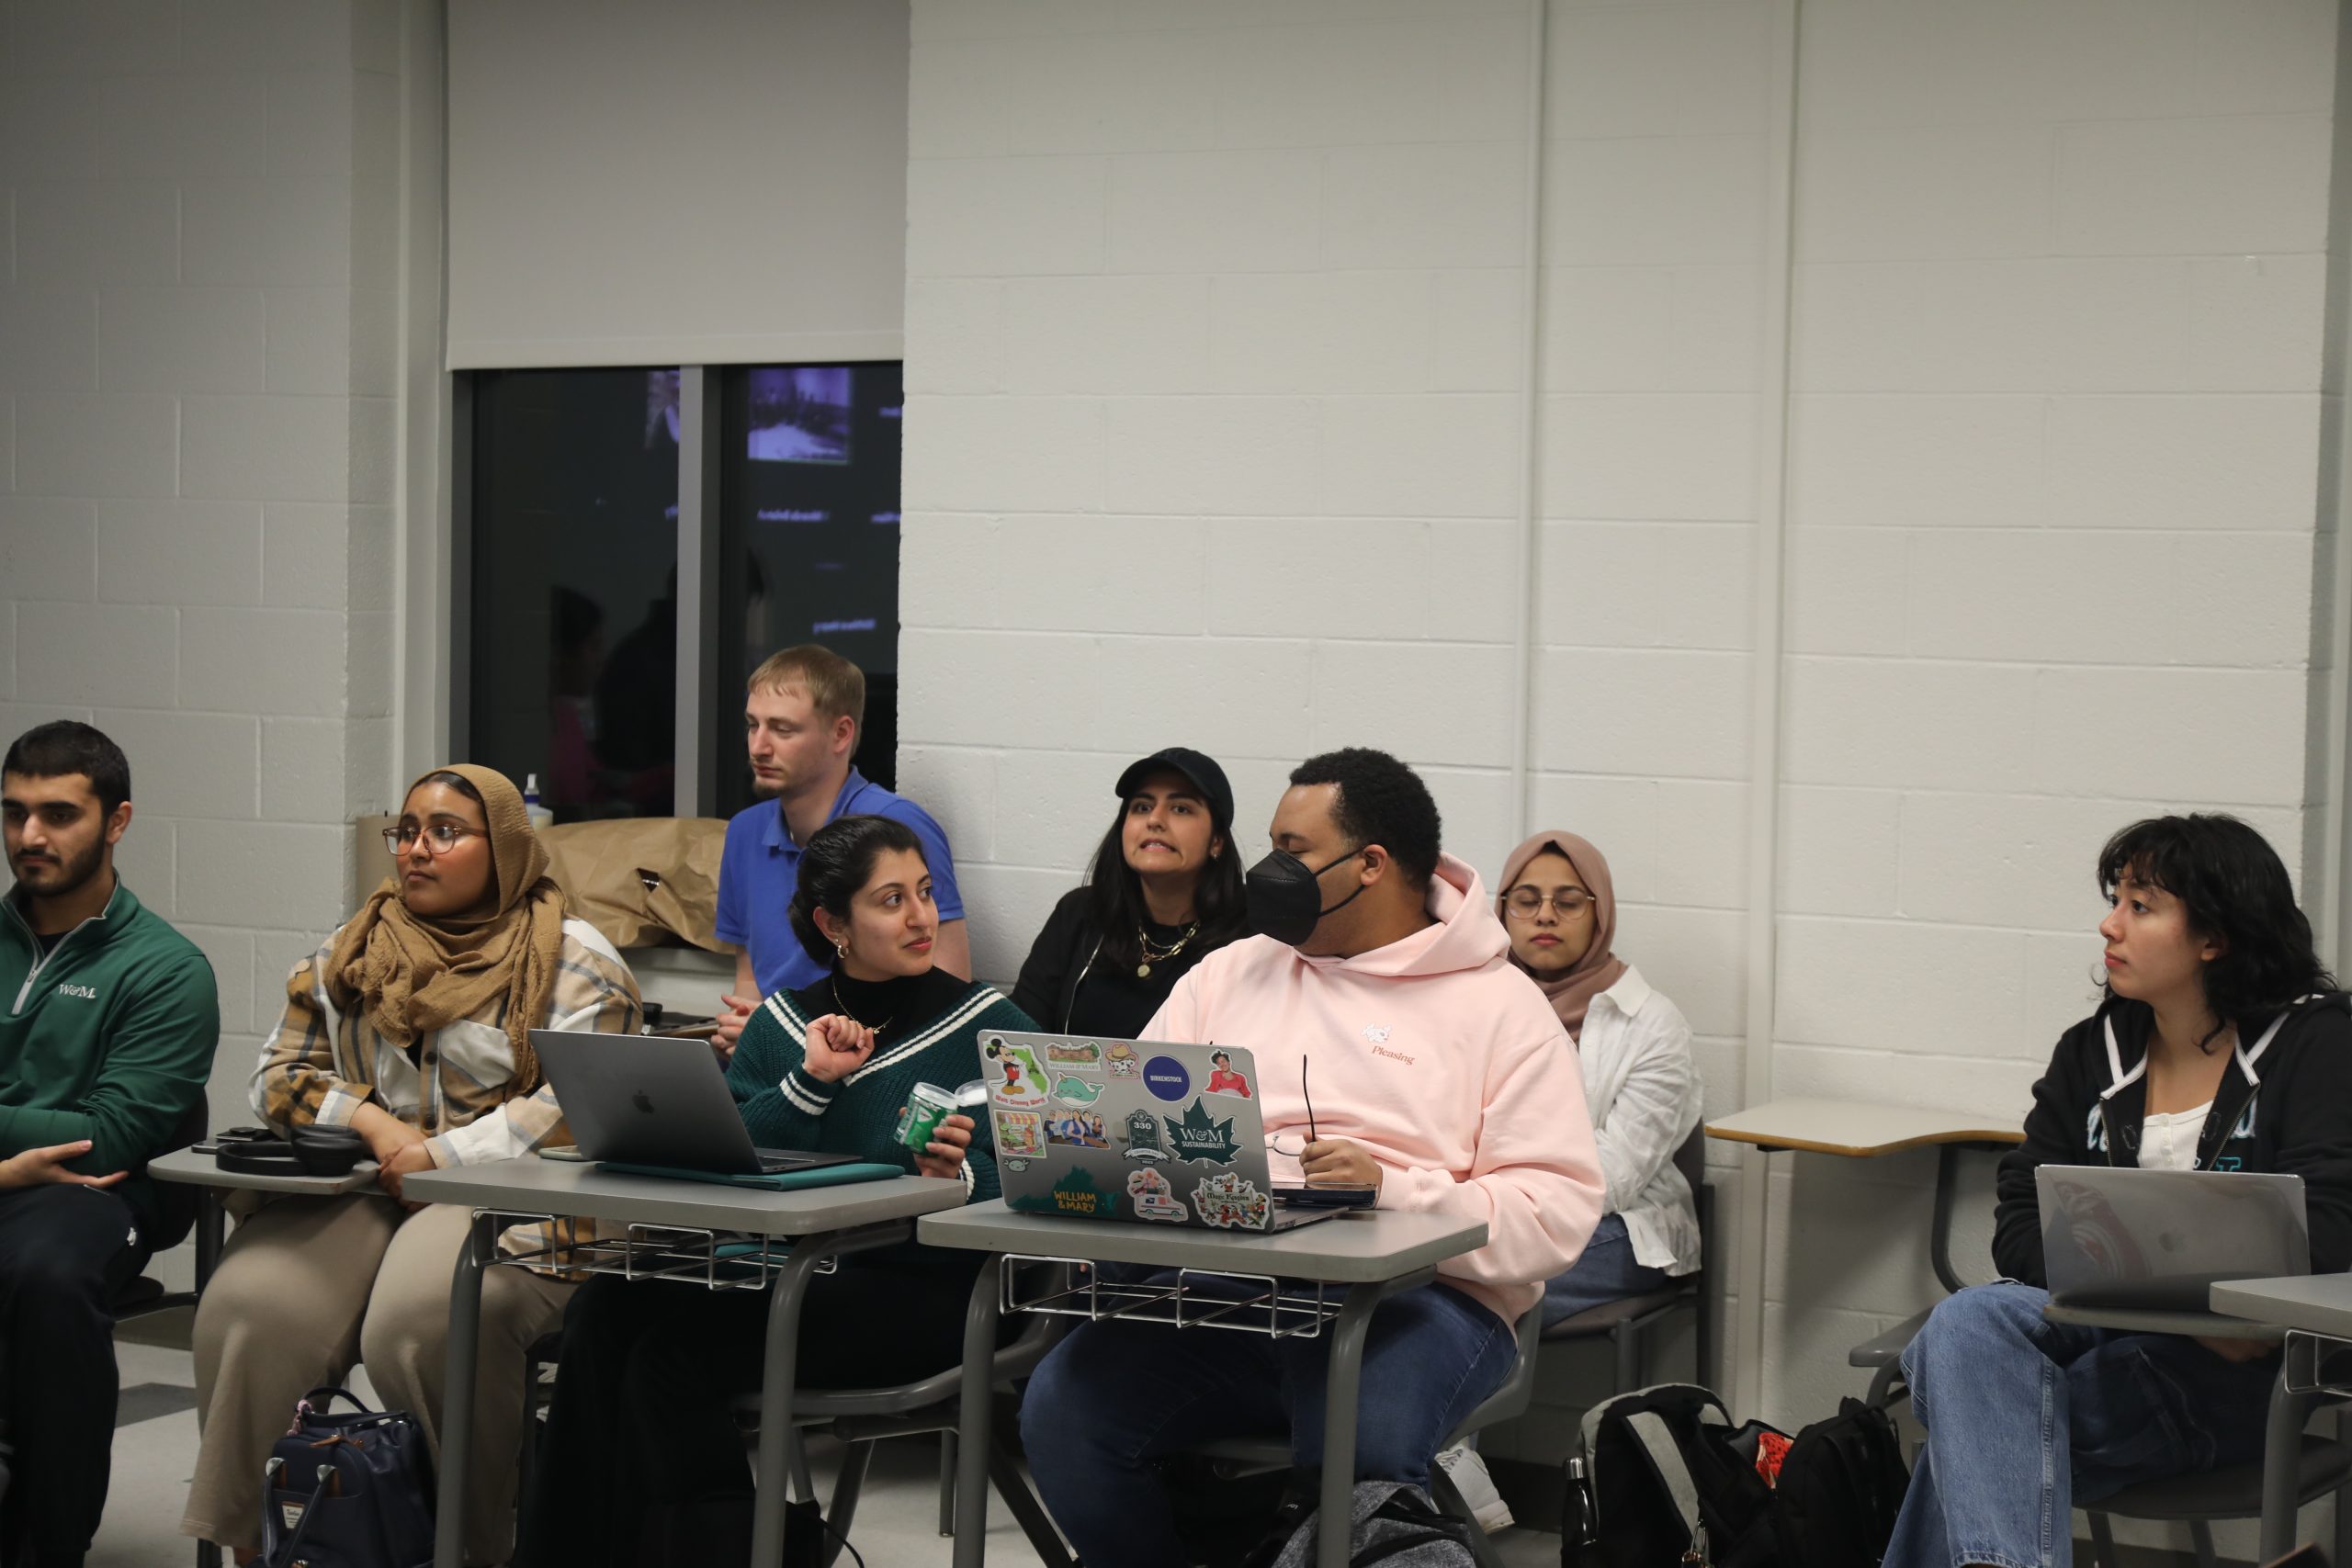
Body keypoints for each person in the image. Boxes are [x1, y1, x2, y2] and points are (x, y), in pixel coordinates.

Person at [1020, 749, 1605, 1567]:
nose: (1270, 870)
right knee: (1064, 1405)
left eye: (1293, 850)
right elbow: (1135, 1126)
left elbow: (1556, 1213)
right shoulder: (1230, 971)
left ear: (1370, 865)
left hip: (1424, 1301)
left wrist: (1393, 1187)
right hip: (1235, 1284)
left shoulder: (1500, 1005)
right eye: (1271, 843)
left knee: (1356, 1438)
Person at [514, 815, 1032, 1564]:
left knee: (668, 1355)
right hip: (786, 1272)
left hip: (929, 1292)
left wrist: (965, 1174)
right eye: (891, 900)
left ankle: (747, 1554)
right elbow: (737, 1150)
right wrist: (811, 1081)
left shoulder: (990, 1025)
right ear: (834, 924)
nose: (922, 917)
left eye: (924, 892)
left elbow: (1051, 1170)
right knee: (601, 1308)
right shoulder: (782, 1024)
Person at [182, 766, 643, 1566]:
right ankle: (259, 1545)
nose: (416, 850)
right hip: (370, 1186)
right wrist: (366, 1117)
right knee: (251, 1307)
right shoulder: (359, 943)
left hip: (511, 1194)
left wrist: (441, 1153)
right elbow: (278, 1073)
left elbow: (572, 1104)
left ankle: (460, 1546)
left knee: (420, 1321)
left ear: (501, 847)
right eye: (408, 831)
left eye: (446, 832)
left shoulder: (577, 960)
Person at [1887, 814, 2352, 1568]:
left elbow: (2331, 1232)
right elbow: (2020, 1223)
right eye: (2117, 900)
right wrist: (2166, 1292)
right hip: (2106, 1327)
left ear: (2215, 937)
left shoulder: (2316, 1045)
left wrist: (2183, 1296)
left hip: (2241, 1370)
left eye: (2141, 905)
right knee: (1968, 1322)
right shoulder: (2090, 1052)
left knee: (1973, 1414)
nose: (2110, 924)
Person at [1437, 830, 1703, 1530]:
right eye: (1526, 900)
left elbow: (1609, 1178)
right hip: (1485, 1208)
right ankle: (1431, 1453)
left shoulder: (1651, 1023)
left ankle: (1441, 1441)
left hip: (1619, 1230)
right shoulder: (1470, 1003)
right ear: (1502, 911)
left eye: (1566, 900)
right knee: (1433, 1266)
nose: (1544, 916)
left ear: (1600, 911)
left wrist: (1484, 1194)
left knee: (1476, 1272)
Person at [0, 721, 217, 1568]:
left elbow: (112, 1135)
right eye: (14, 812)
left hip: (93, 1196)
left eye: (58, 813)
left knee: (45, 1279)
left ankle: (49, 1544)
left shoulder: (164, 967)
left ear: (117, 821)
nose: (29, 837)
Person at [712, 646, 968, 1055]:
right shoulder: (744, 831)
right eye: (752, 725)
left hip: (870, 1065)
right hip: (774, 1062)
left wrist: (782, 1039)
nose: (758, 747)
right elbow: (751, 979)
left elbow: (949, 995)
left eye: (782, 729)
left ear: (841, 734)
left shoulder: (897, 827)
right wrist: (748, 1034)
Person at [1012, 748, 1249, 1038]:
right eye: (1142, 807)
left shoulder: (1252, 934)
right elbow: (1021, 1035)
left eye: (1181, 809)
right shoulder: (1079, 912)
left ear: (1217, 841)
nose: (1155, 820)